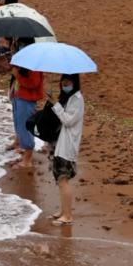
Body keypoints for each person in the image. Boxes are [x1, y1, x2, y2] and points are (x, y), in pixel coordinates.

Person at [46, 74, 84, 226]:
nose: (64, 84)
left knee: (63, 179)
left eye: (68, 81)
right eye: (63, 81)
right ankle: (63, 211)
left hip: (67, 145)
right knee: (60, 179)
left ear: (74, 82)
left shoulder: (77, 99)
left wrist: (56, 104)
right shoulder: (70, 98)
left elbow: (68, 121)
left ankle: (67, 215)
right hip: (61, 144)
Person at [9, 63, 43, 169]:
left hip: (26, 99)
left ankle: (27, 160)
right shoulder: (26, 64)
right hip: (18, 96)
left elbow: (33, 83)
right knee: (19, 124)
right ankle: (24, 153)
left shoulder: (35, 66)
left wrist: (17, 75)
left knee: (25, 126)